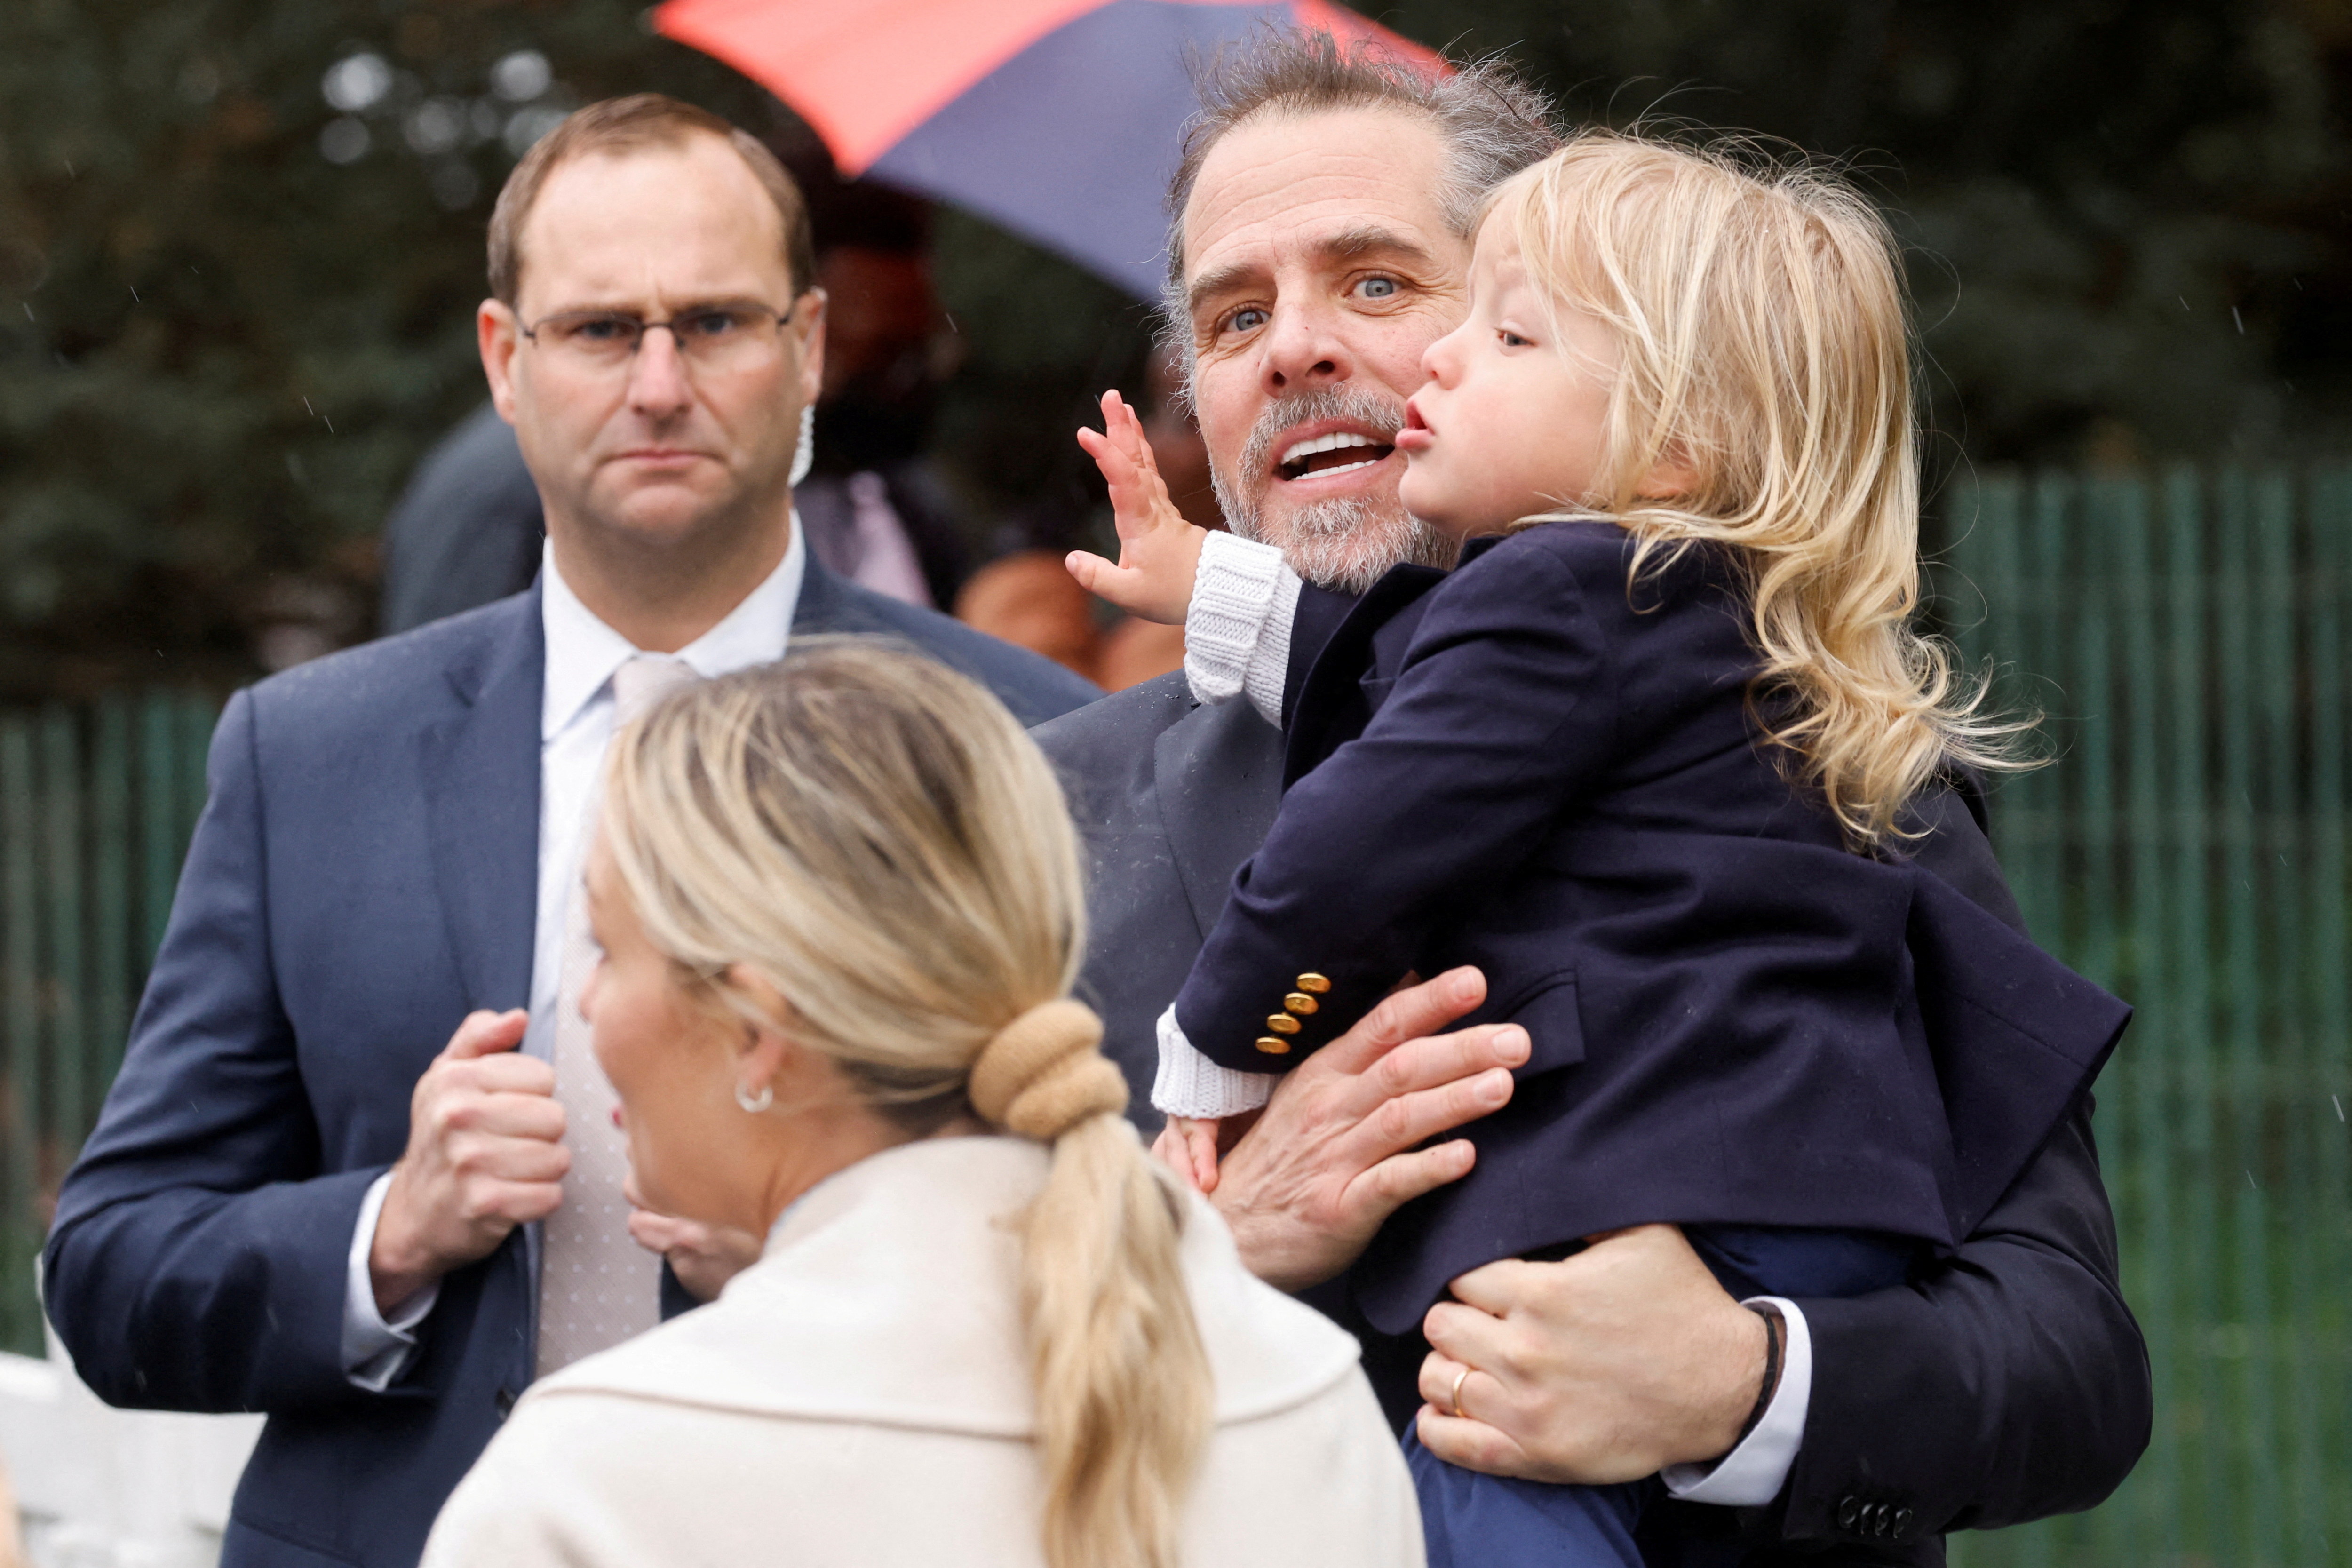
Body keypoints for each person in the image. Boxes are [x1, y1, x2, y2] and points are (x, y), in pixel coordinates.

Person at [1028, 32, 2151, 1561]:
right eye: (1235, 313)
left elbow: (2071, 1364)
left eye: (1376, 283)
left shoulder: (1825, 760)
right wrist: (1194, 1247)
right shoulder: (1028, 825)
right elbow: (872, 1362)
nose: (1296, 345)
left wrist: (1742, 1380)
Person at [44, 95, 1095, 1568]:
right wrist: (390, 1231)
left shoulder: (1022, 738)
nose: (659, 384)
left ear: (803, 350)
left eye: (714, 323)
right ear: (505, 362)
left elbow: (1122, 1224)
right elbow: (110, 1273)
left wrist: (855, 1242)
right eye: (602, 330)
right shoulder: (310, 754)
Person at [420, 645, 1421, 1568]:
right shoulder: (1306, 1391)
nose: (584, 1000)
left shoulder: (590, 1477)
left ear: (758, 1029)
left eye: (607, 947)